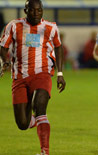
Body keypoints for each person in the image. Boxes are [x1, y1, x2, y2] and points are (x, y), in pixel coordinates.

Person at [0, 0, 66, 155]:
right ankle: (35, 122)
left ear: (42, 11)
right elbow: (3, 47)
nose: (36, 13)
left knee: (39, 108)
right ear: (25, 10)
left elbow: (58, 47)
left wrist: (60, 73)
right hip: (20, 77)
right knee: (22, 124)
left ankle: (45, 152)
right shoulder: (14, 26)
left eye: (39, 10)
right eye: (32, 10)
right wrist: (6, 61)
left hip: (42, 74)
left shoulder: (50, 27)